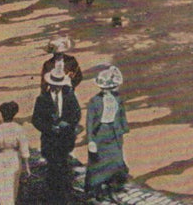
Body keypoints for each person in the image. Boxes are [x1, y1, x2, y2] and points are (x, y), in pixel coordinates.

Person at [32, 70, 81, 202]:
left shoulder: (70, 96)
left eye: (59, 84)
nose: (57, 87)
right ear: (50, 84)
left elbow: (76, 115)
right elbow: (36, 120)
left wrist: (68, 124)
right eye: (55, 84)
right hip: (50, 140)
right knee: (53, 168)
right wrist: (49, 128)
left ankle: (65, 196)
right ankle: (53, 197)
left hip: (65, 140)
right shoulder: (42, 99)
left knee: (64, 166)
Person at [85, 66, 130, 200]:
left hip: (114, 132)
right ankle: (96, 189)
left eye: (108, 88)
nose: (105, 90)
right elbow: (89, 122)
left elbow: (121, 115)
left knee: (116, 161)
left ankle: (112, 188)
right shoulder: (94, 101)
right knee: (98, 163)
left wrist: (123, 130)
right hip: (100, 133)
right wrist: (91, 141)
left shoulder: (117, 99)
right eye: (103, 88)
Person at [0, 101, 32, 205]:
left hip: (0, 160)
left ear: (2, 114)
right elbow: (24, 150)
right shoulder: (18, 129)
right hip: (14, 160)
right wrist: (27, 167)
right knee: (11, 189)